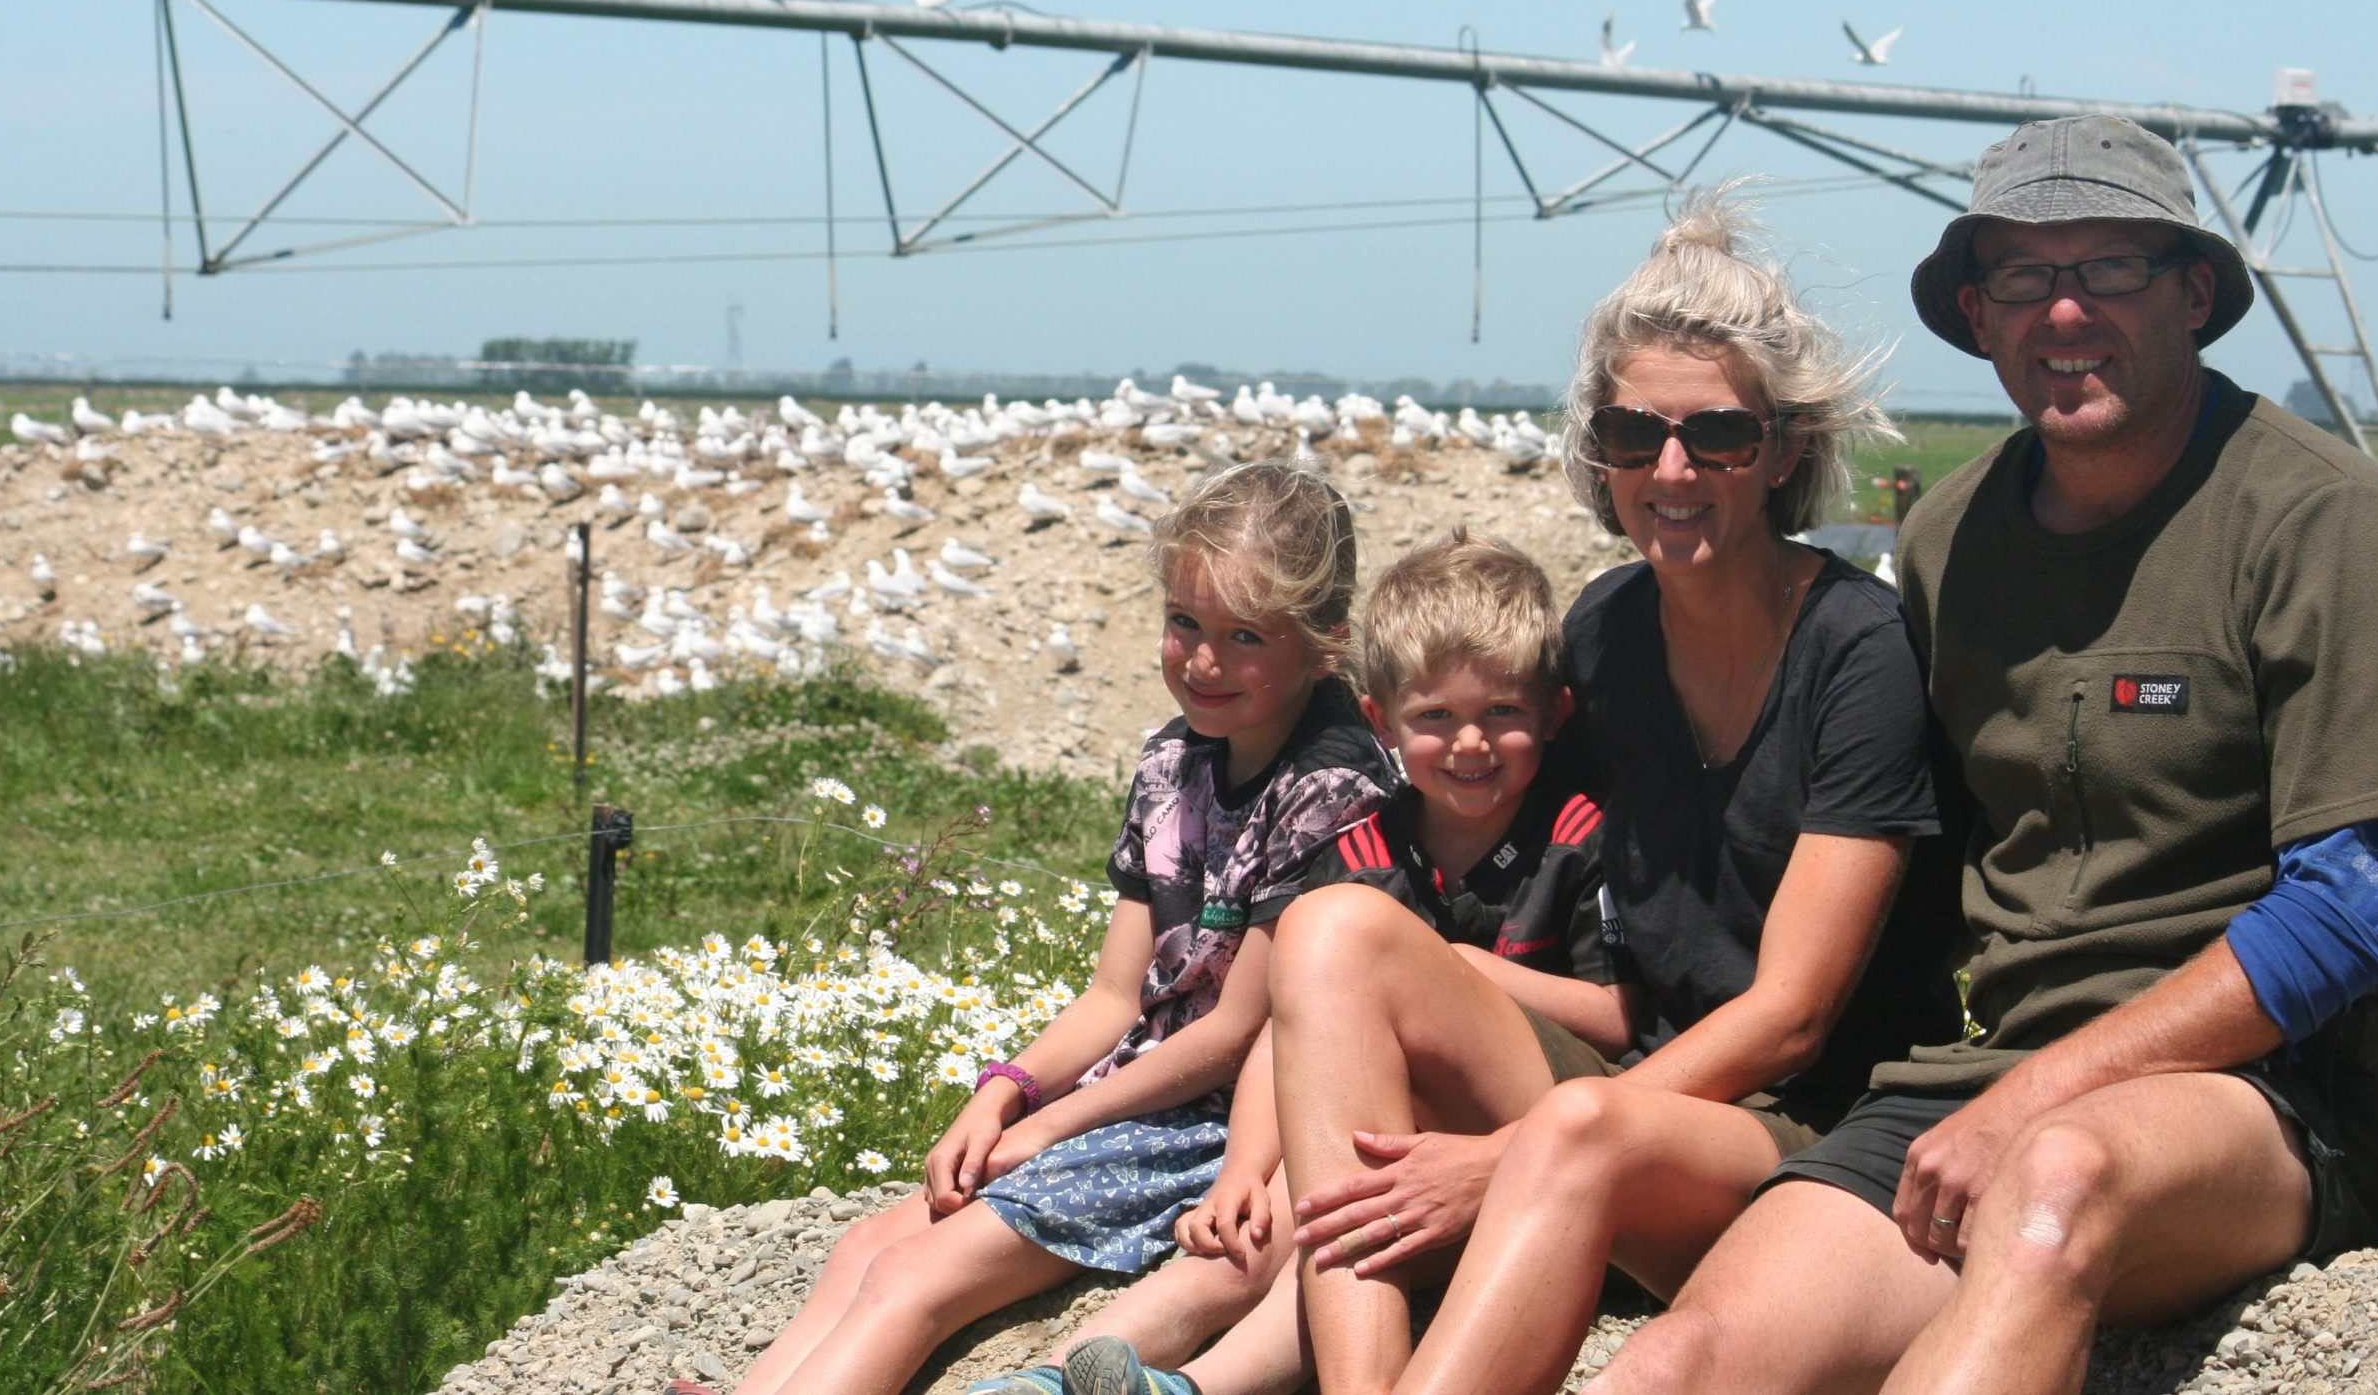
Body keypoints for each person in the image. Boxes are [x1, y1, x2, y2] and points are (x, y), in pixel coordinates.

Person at [1598, 115, 2378, 1395]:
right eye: (2023, 277)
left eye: (2107, 268)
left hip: (2271, 1102)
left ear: (2192, 294)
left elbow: (2353, 916)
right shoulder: (1955, 537)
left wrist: (2036, 1104)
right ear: (1978, 312)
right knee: (1683, 1360)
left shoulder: (2325, 528)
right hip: (1984, 1076)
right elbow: (1921, 856)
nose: (2064, 312)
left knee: (2055, 1185)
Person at [1266, 188, 1966, 1395]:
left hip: (1805, 1125)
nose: (1674, 470)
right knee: (1333, 929)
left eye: (1719, 437)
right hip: (1632, 1080)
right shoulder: (1604, 630)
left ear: (1784, 451)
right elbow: (1505, 844)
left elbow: (1793, 1016)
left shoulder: (1859, 652)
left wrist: (1517, 1156)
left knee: (1581, 1131)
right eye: (1637, 438)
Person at [719, 461, 1395, 1395]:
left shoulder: (1333, 788)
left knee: (916, 1276)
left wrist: (1050, 1128)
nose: (1202, 661)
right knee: (869, 1243)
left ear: (1324, 642)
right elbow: (1116, 992)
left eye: (1245, 636)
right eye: (1184, 623)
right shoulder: (1171, 761)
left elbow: (1237, 1033)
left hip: (1227, 1121)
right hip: (1138, 1093)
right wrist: (1003, 1094)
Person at [1038, 529, 1633, 1395]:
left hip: (1532, 1136)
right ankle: (1076, 1374)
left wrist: (1460, 967)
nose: (1471, 743)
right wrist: (1244, 1165)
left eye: (1501, 713)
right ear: (1382, 723)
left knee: (1337, 1215)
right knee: (1289, 1218)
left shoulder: (1579, 840)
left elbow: (1620, 1017)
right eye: (1436, 718)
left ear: (1554, 713)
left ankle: (1201, 1385)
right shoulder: (1362, 844)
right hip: (1394, 1142)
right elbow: (1292, 1026)